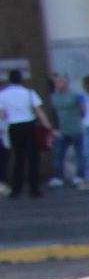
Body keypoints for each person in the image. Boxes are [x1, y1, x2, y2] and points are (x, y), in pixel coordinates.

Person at [0, 70, 53, 202]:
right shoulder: (29, 93)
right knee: (33, 157)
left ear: (10, 79)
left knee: (19, 157)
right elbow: (38, 110)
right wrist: (47, 125)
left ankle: (16, 189)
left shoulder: (3, 94)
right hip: (29, 126)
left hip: (14, 126)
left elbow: (2, 113)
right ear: (21, 79)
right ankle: (34, 188)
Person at [48, 72, 84, 189]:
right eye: (55, 82)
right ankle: (59, 177)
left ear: (66, 82)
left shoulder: (75, 95)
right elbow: (54, 113)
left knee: (80, 154)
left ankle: (80, 176)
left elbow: (83, 109)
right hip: (62, 130)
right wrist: (53, 129)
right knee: (58, 154)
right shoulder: (54, 97)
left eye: (59, 82)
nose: (57, 84)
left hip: (77, 129)